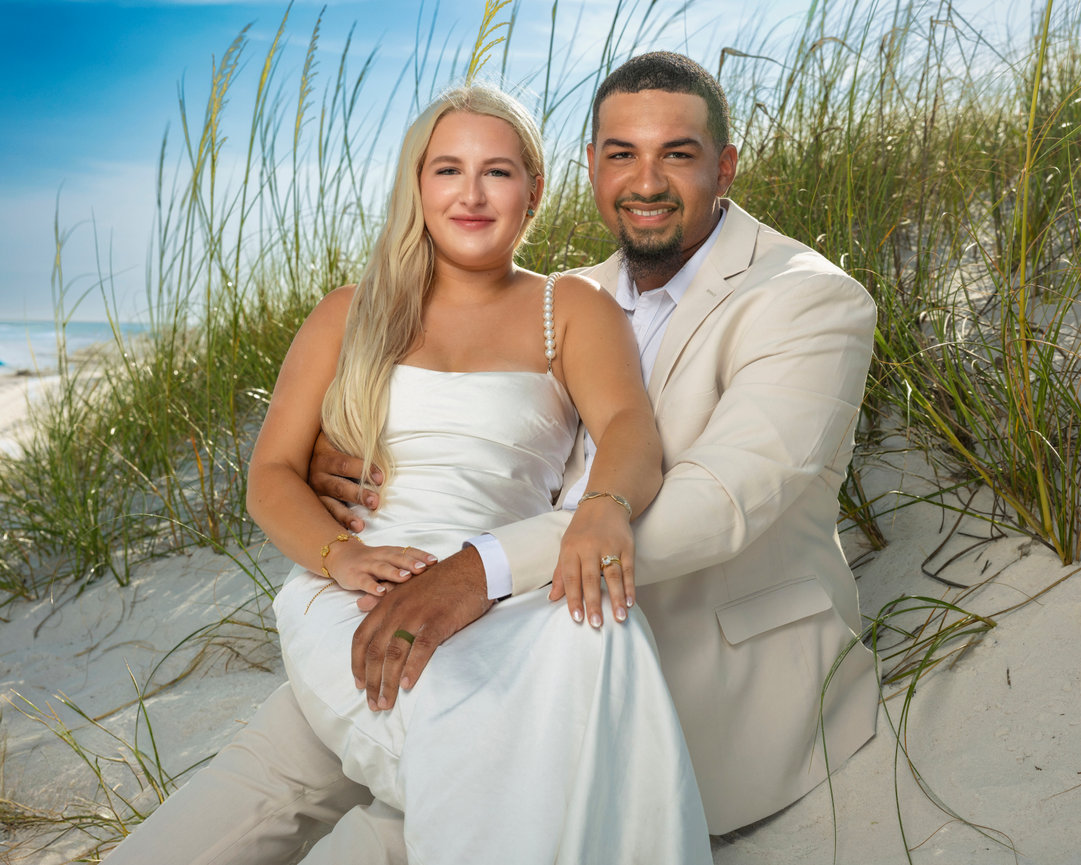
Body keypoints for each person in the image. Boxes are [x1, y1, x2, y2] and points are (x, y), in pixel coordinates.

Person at [105, 83, 711, 865]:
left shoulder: (572, 309)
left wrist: (605, 504)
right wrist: (344, 557)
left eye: (496, 172)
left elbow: (629, 427)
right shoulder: (348, 314)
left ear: (533, 189)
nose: (470, 193)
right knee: (475, 738)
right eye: (445, 169)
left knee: (596, 642)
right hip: (361, 588)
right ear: (415, 186)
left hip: (500, 592)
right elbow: (273, 474)